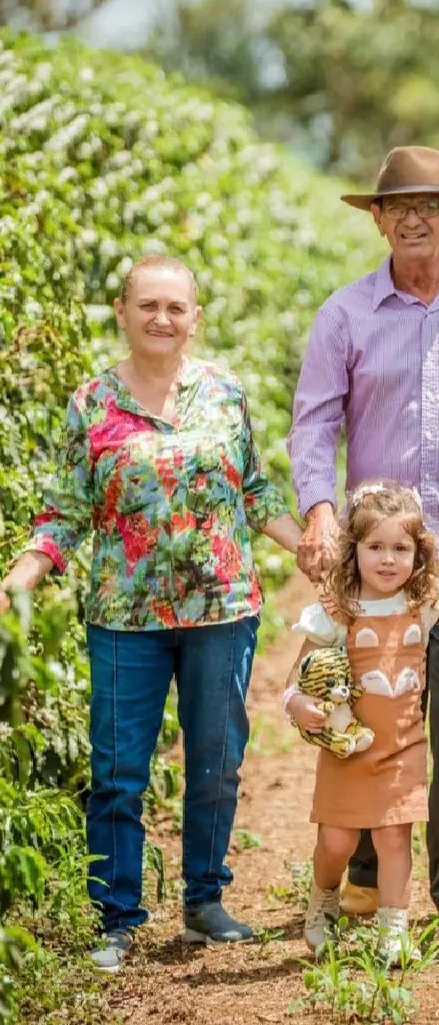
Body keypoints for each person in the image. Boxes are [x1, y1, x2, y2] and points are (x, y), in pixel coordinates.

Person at [0, 255, 305, 972]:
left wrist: (311, 547)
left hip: (221, 609)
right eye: (148, 306)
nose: (162, 318)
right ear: (123, 312)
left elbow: (255, 492)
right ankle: (116, 916)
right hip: (123, 616)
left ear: (195, 317)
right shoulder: (93, 403)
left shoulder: (225, 394)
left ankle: (204, 899)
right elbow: (67, 510)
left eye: (175, 307)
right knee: (116, 770)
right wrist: (21, 575)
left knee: (217, 760)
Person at [287, 146, 439, 922]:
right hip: (375, 562)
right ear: (379, 220)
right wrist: (320, 508)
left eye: (430, 206)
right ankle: (360, 866)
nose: (414, 219)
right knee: (365, 704)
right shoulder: (345, 313)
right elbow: (315, 422)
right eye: (397, 208)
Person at [283, 481, 439, 961]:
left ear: (419, 553)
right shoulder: (338, 611)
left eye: (401, 548)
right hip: (347, 747)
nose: (388, 560)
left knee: (394, 837)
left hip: (400, 747)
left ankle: (393, 926)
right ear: (354, 551)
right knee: (337, 840)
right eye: (375, 547)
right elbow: (297, 679)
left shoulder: (423, 603)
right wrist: (297, 704)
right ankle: (324, 894)